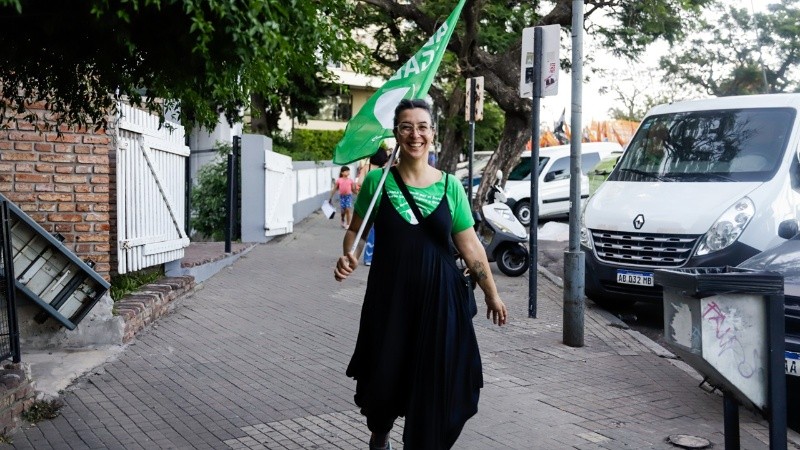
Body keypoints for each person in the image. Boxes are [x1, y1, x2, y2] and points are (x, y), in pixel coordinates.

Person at [333, 99, 508, 450]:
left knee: (434, 388)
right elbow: (356, 231)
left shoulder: (450, 187)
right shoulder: (377, 184)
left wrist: (492, 293)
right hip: (389, 302)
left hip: (439, 306)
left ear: (433, 133)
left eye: (422, 126)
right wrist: (347, 255)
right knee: (384, 385)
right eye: (407, 127)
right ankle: (379, 436)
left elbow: (472, 248)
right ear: (396, 134)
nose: (415, 134)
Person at [360, 147, 391, 266]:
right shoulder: (384, 170)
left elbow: (359, 183)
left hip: (367, 203)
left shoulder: (366, 168)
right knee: (377, 231)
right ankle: (373, 256)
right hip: (381, 203)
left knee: (368, 231)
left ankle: (368, 257)